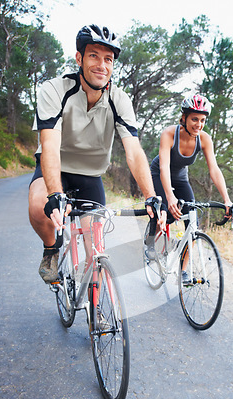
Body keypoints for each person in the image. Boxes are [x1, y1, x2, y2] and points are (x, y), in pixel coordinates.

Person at [28, 24, 164, 284]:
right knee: (38, 206)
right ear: (79, 58)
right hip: (56, 166)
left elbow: (133, 151)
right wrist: (55, 195)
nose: (102, 65)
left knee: (96, 253)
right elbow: (50, 144)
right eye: (94, 56)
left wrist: (151, 196)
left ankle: (99, 315)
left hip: (91, 175)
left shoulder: (120, 100)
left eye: (108, 59)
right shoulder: (55, 90)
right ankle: (51, 248)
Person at [146, 93, 233, 253]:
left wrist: (227, 199)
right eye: (194, 119)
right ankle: (151, 242)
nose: (198, 125)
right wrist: (169, 197)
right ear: (184, 118)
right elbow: (164, 167)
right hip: (159, 174)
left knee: (192, 224)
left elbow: (214, 170)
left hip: (181, 179)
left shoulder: (205, 139)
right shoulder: (170, 133)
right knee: (165, 212)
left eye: (202, 120)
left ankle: (184, 270)